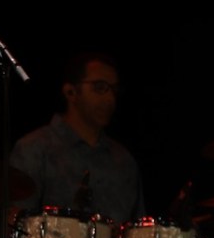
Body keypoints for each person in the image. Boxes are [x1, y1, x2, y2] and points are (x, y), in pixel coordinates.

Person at [9, 51, 145, 225]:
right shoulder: (34, 149)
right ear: (70, 92)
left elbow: (138, 233)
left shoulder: (124, 161)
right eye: (100, 87)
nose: (110, 98)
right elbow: (16, 225)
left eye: (114, 90)